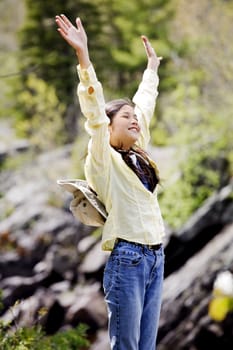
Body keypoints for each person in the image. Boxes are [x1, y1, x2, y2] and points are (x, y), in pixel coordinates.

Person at [55, 14, 165, 350]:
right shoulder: (104, 159)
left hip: (155, 258)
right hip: (127, 260)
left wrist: (151, 71)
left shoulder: (137, 151)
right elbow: (93, 113)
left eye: (135, 118)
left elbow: (145, 103)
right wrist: (83, 58)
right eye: (126, 117)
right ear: (111, 126)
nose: (135, 120)